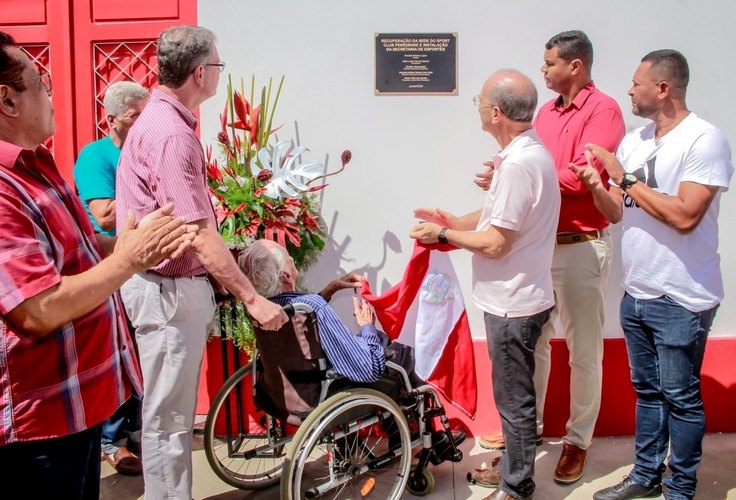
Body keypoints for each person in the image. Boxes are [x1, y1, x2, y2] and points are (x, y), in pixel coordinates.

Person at [0, 31, 194, 498]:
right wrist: (130, 258)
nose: (51, 95)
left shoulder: (36, 166)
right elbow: (36, 309)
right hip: (39, 426)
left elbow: (85, 250)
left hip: (76, 408)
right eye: (41, 83)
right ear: (7, 100)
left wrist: (131, 241)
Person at [115, 25, 287, 499]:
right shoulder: (171, 133)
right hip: (166, 292)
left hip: (165, 289)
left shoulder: (160, 121)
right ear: (198, 72)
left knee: (167, 414)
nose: (218, 72)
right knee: (169, 419)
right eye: (217, 64)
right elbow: (197, 232)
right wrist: (252, 298)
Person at [573, 50, 733, 500]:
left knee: (680, 398)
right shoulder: (636, 140)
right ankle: (645, 478)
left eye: (636, 83)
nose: (629, 90)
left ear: (663, 88)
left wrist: (623, 179)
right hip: (637, 290)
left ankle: (680, 489)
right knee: (647, 392)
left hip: (682, 294)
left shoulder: (705, 140)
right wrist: (595, 185)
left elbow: (685, 216)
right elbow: (616, 214)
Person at [474, 30, 625, 486]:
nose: (543, 71)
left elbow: (583, 178)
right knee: (531, 347)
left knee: (582, 351)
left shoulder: (605, 110)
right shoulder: (544, 112)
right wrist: (504, 174)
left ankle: (578, 441)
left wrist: (517, 173)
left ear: (575, 65)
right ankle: (528, 434)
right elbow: (530, 163)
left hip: (579, 246)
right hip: (539, 247)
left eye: (550, 64)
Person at [410, 69, 560, 500]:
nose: (475, 105)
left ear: (495, 112)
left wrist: (444, 237)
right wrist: (454, 222)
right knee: (515, 398)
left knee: (514, 403)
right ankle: (515, 468)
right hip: (519, 296)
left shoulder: (517, 164)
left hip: (513, 303)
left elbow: (495, 242)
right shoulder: (526, 155)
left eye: (478, 100)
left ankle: (517, 486)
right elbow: (501, 217)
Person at [238, 239, 465, 459]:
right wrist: (367, 325)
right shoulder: (311, 307)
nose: (294, 264)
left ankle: (403, 433)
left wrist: (330, 289)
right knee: (400, 354)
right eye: (290, 260)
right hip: (325, 394)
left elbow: (302, 323)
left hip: (282, 394)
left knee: (383, 348)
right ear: (286, 275)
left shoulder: (265, 309)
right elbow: (368, 370)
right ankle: (422, 440)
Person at [73, 81, 150, 476]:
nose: (142, 123)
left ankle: (136, 430)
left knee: (138, 351)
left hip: (140, 265)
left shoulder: (145, 153)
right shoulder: (96, 157)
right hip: (106, 265)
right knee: (115, 352)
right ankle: (112, 441)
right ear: (112, 119)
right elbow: (104, 214)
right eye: (135, 116)